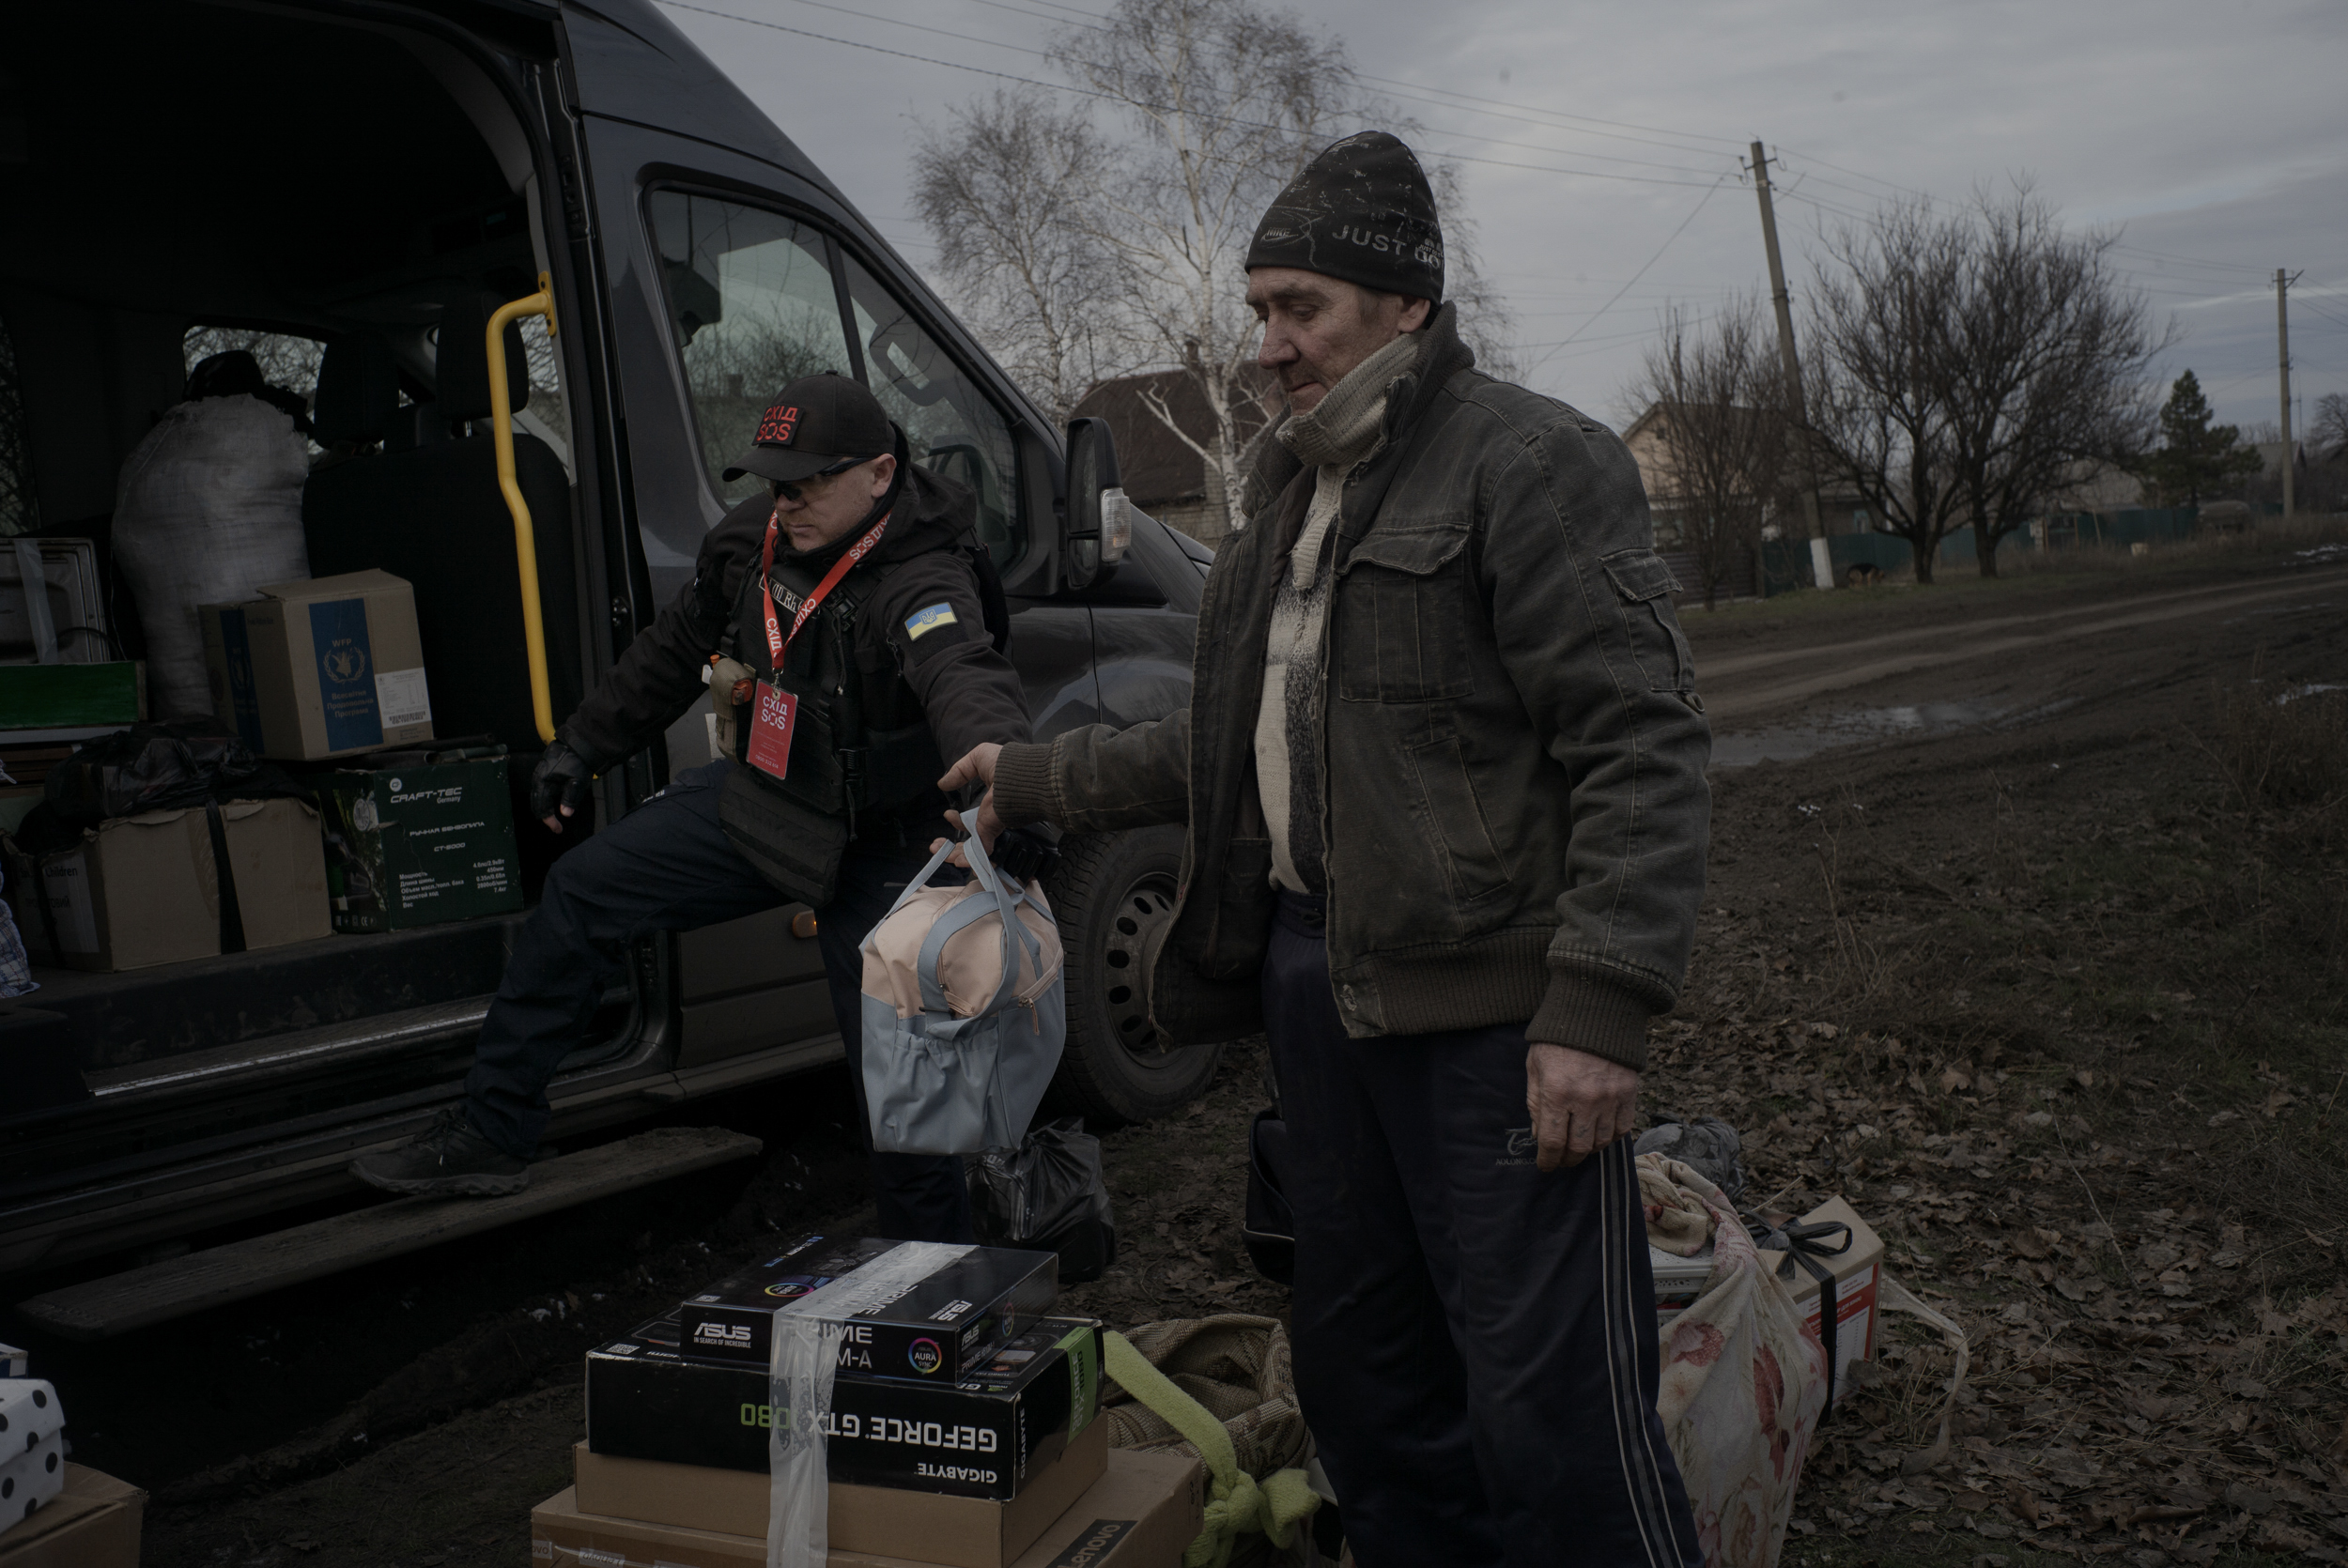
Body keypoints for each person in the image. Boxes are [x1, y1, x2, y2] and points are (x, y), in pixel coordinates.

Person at [940, 132, 1711, 1564]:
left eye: (1300, 307)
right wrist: (1035, 772)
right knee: (1371, 1389)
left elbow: (1641, 741)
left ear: (1406, 302)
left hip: (1488, 1026)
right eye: (1260, 310)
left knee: (1551, 1413)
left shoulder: (1528, 461)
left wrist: (1599, 1006)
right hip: (1317, 999)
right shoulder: (1282, 504)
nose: (1270, 344)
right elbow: (1220, 740)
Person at [353, 373, 1032, 1244]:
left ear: (879, 474)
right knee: (583, 892)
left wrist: (1009, 782)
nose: (786, 503)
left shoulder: (923, 579)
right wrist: (582, 745)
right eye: (774, 483)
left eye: (808, 484)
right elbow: (676, 646)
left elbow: (965, 677)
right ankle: (493, 1128)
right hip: (770, 800)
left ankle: (936, 1276)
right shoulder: (752, 541)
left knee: (899, 1085)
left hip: (884, 844)